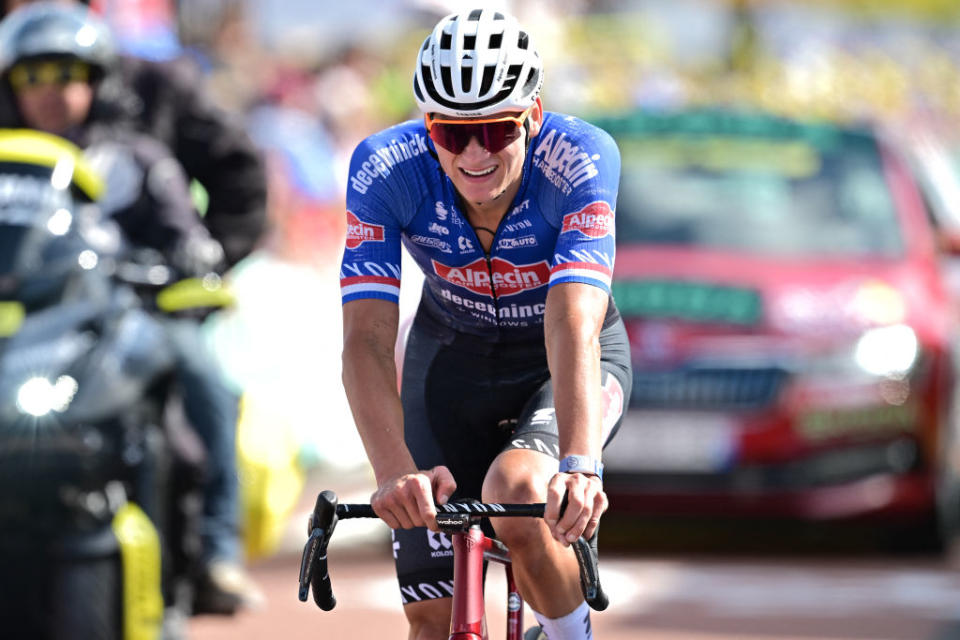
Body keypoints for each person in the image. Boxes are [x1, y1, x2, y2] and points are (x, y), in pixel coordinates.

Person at [340, 8, 632, 640]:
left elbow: (571, 320)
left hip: (564, 358)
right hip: (451, 356)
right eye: (452, 134)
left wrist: (581, 466)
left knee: (519, 488)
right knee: (429, 620)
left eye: (497, 132)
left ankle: (569, 633)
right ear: (427, 127)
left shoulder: (579, 157)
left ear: (531, 115)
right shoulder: (385, 168)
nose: (475, 153)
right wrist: (394, 472)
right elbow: (365, 338)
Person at [0, 2, 261, 614]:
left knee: (205, 381)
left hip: (126, 321)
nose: (51, 92)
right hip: (25, 330)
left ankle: (215, 551)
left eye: (67, 74)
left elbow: (187, 238)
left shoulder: (136, 157)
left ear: (96, 81)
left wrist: (195, 265)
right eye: (33, 77)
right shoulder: (5, 164)